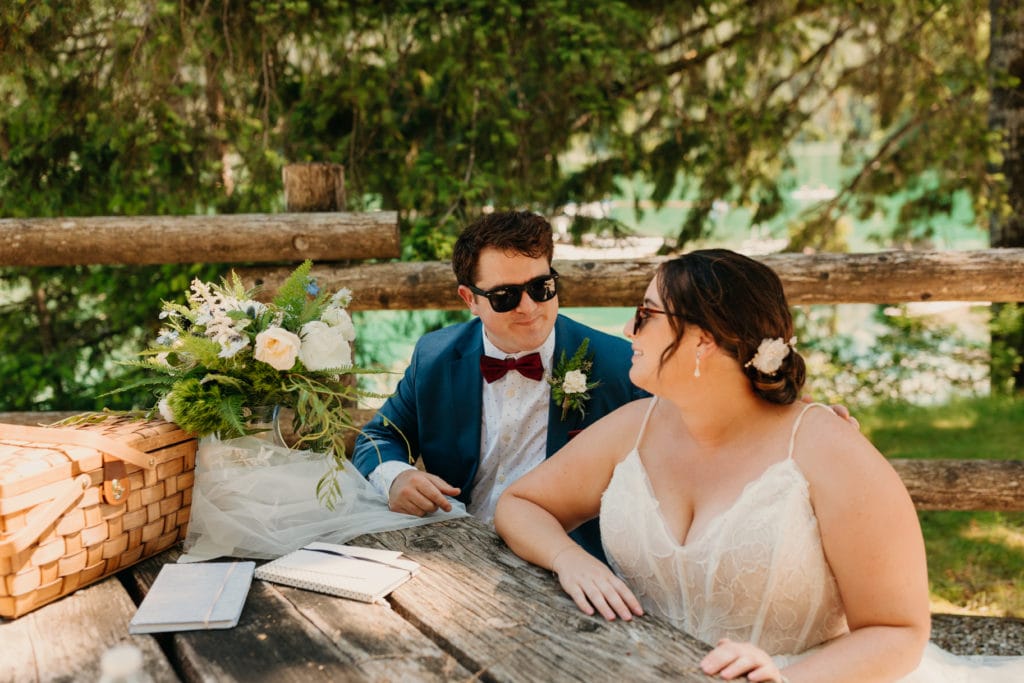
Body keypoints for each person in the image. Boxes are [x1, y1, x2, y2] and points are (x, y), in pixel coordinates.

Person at [494, 249, 1024, 682]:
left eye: (646, 315)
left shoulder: (828, 451)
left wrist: (787, 678)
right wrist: (570, 558)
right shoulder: (633, 427)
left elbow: (899, 631)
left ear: (702, 340)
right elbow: (521, 504)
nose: (631, 332)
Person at [352, 210, 645, 561]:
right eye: (505, 296)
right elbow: (378, 438)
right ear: (469, 299)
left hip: (566, 561)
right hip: (454, 551)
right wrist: (396, 477)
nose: (529, 307)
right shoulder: (434, 358)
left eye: (541, 287)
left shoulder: (619, 366)